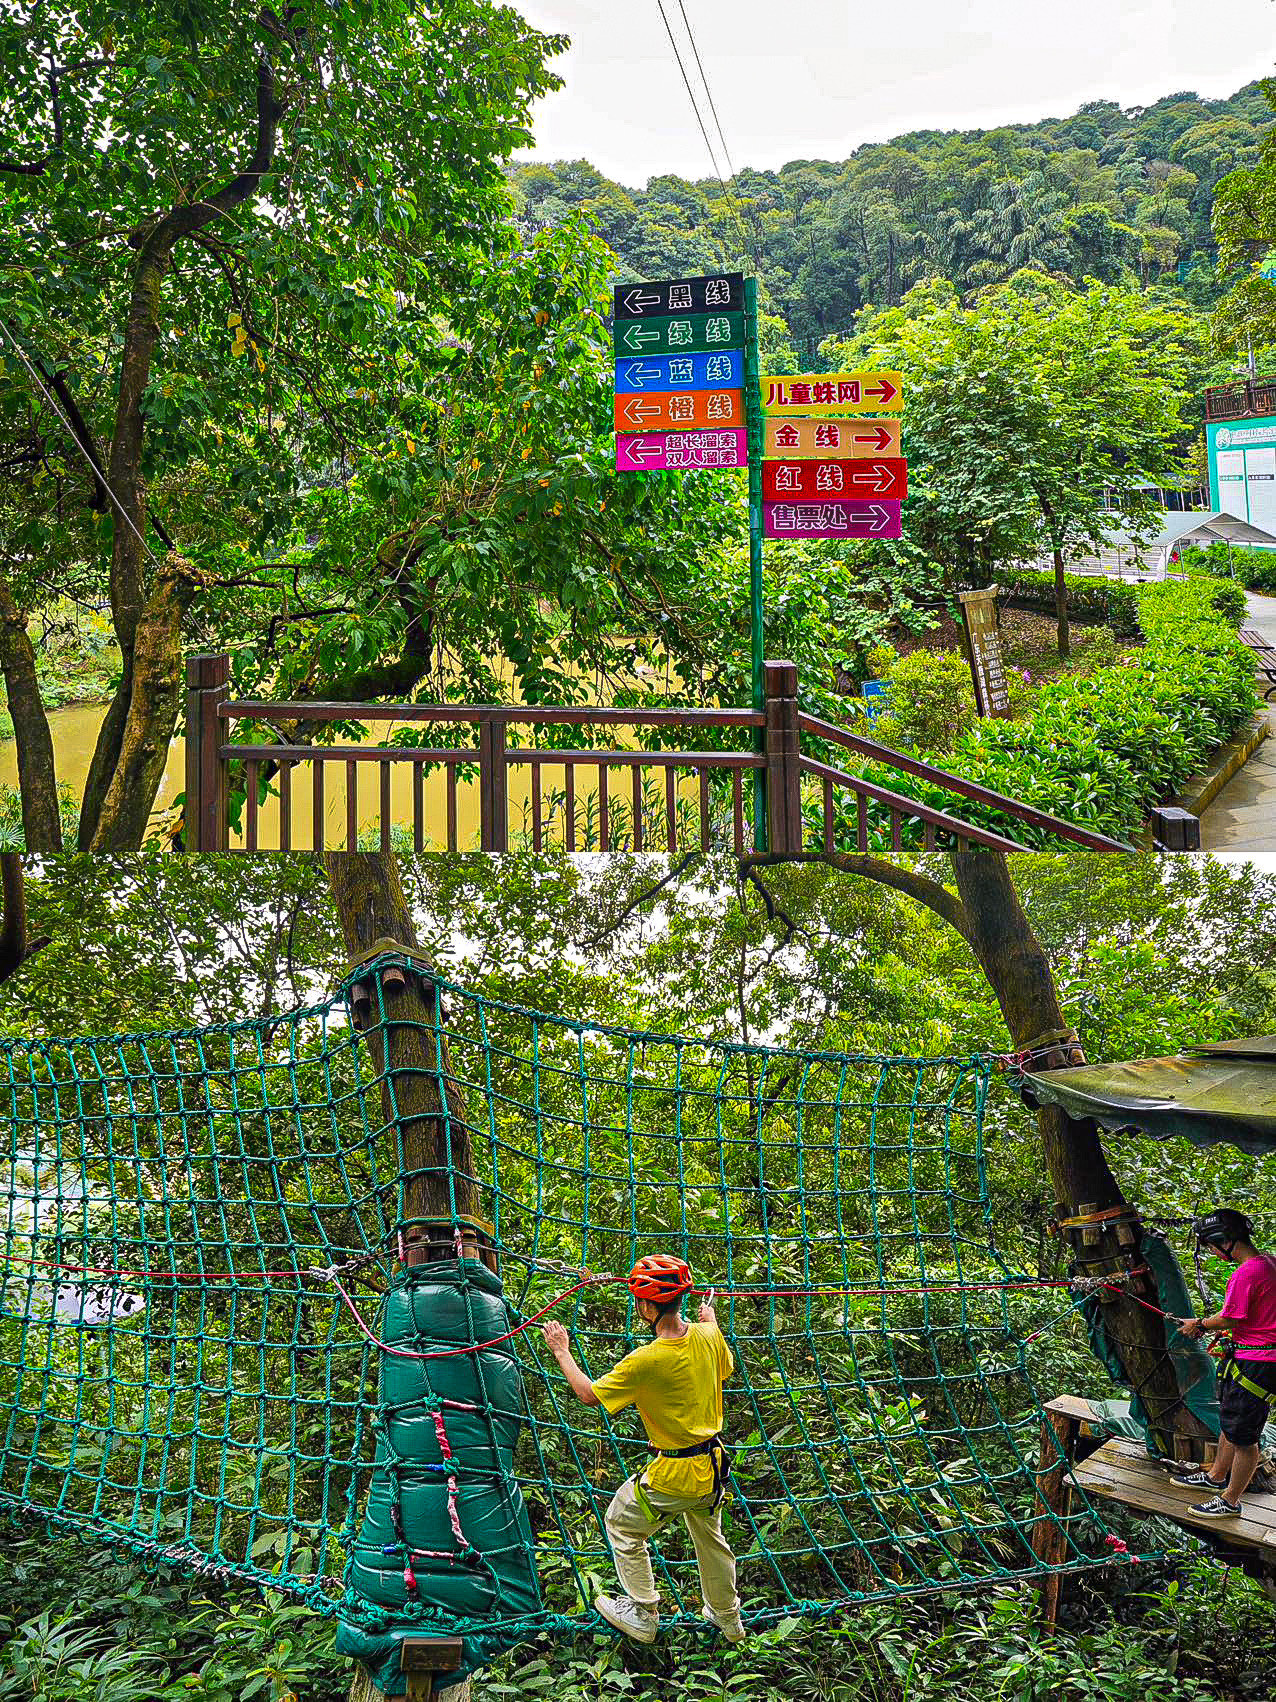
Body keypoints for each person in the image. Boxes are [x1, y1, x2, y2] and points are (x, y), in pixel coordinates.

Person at [542, 1253, 744, 1645]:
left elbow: (587, 1395)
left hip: (674, 1473)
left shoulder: (645, 1361)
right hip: (713, 1468)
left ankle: (643, 1611)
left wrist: (561, 1350)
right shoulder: (708, 1335)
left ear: (648, 1306)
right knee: (710, 1538)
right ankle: (728, 1619)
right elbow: (723, 1365)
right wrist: (711, 1321)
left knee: (621, 1521)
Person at [1173, 1210, 1276, 1516]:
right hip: (1253, 1357)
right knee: (1231, 1422)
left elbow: (1232, 1317)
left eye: (1211, 1246)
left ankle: (1231, 1500)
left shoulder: (1247, 1272)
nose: (1213, 1253)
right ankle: (1216, 1476)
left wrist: (1200, 1324)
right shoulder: (1268, 1262)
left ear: (1224, 1241)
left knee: (1244, 1436)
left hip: (1257, 1362)